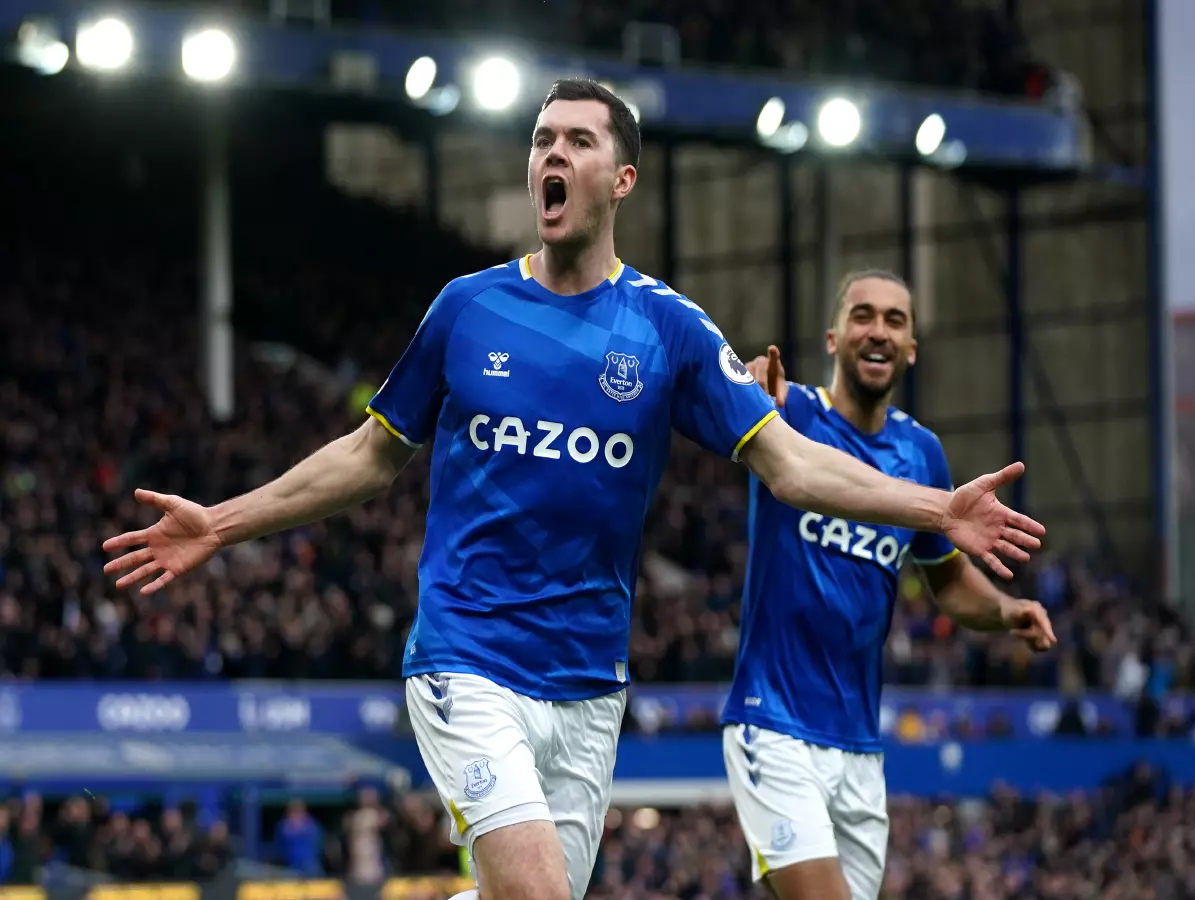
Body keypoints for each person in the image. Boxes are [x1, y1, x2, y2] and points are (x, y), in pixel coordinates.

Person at [102, 82, 1044, 900]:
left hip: (590, 688)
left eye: (578, 141)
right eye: (542, 140)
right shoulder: (467, 309)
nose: (552, 154)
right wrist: (219, 526)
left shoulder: (669, 330)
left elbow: (790, 463)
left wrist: (939, 510)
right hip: (467, 657)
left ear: (621, 179)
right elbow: (368, 455)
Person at [721, 270, 1058, 900]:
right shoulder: (789, 412)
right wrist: (748, 403)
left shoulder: (921, 453)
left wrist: (1006, 611)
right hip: (772, 722)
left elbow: (949, 582)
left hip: (859, 750)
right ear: (833, 337)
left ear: (911, 349)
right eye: (863, 315)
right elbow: (733, 406)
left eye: (895, 321)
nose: (878, 330)